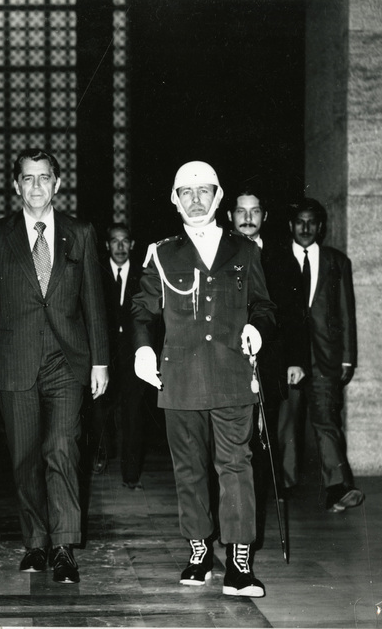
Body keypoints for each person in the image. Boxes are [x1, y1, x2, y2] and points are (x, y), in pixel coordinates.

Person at [131, 161, 275, 598]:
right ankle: (198, 551)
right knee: (188, 469)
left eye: (204, 192)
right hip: (180, 378)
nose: (195, 200)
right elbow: (142, 308)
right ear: (175, 200)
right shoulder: (161, 252)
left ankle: (238, 562)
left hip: (233, 375)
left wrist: (258, 328)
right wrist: (141, 347)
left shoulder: (245, 251)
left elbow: (265, 306)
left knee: (236, 465)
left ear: (218, 197)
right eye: (186, 193)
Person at [0, 148, 109, 584]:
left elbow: (95, 303)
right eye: (27, 179)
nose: (36, 186)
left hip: (67, 361)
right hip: (14, 361)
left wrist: (101, 361)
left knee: (62, 448)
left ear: (57, 183)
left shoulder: (81, 233)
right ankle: (36, 543)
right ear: (16, 186)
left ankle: (65, 547)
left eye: (44, 178)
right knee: (25, 457)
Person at [227, 186, 307, 542]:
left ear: (264, 217)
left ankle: (251, 531)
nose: (247, 218)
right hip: (226, 364)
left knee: (261, 442)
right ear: (230, 215)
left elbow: (294, 315)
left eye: (254, 211)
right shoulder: (219, 252)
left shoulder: (280, 257)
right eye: (241, 211)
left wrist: (297, 360)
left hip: (269, 364)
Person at [278, 198, 363, 513]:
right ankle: (283, 485)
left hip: (325, 359)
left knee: (327, 421)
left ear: (321, 227)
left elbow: (346, 312)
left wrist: (347, 358)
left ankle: (338, 488)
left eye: (311, 222)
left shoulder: (336, 262)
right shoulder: (277, 260)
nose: (305, 228)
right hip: (289, 360)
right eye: (299, 221)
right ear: (291, 226)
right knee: (285, 422)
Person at [89, 223, 150, 489]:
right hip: (104, 352)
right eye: (115, 241)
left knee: (134, 413)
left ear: (133, 245)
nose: (121, 247)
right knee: (98, 408)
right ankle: (100, 453)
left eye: (126, 241)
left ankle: (131, 473)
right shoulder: (97, 273)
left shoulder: (144, 274)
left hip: (134, 353)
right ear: (107, 245)